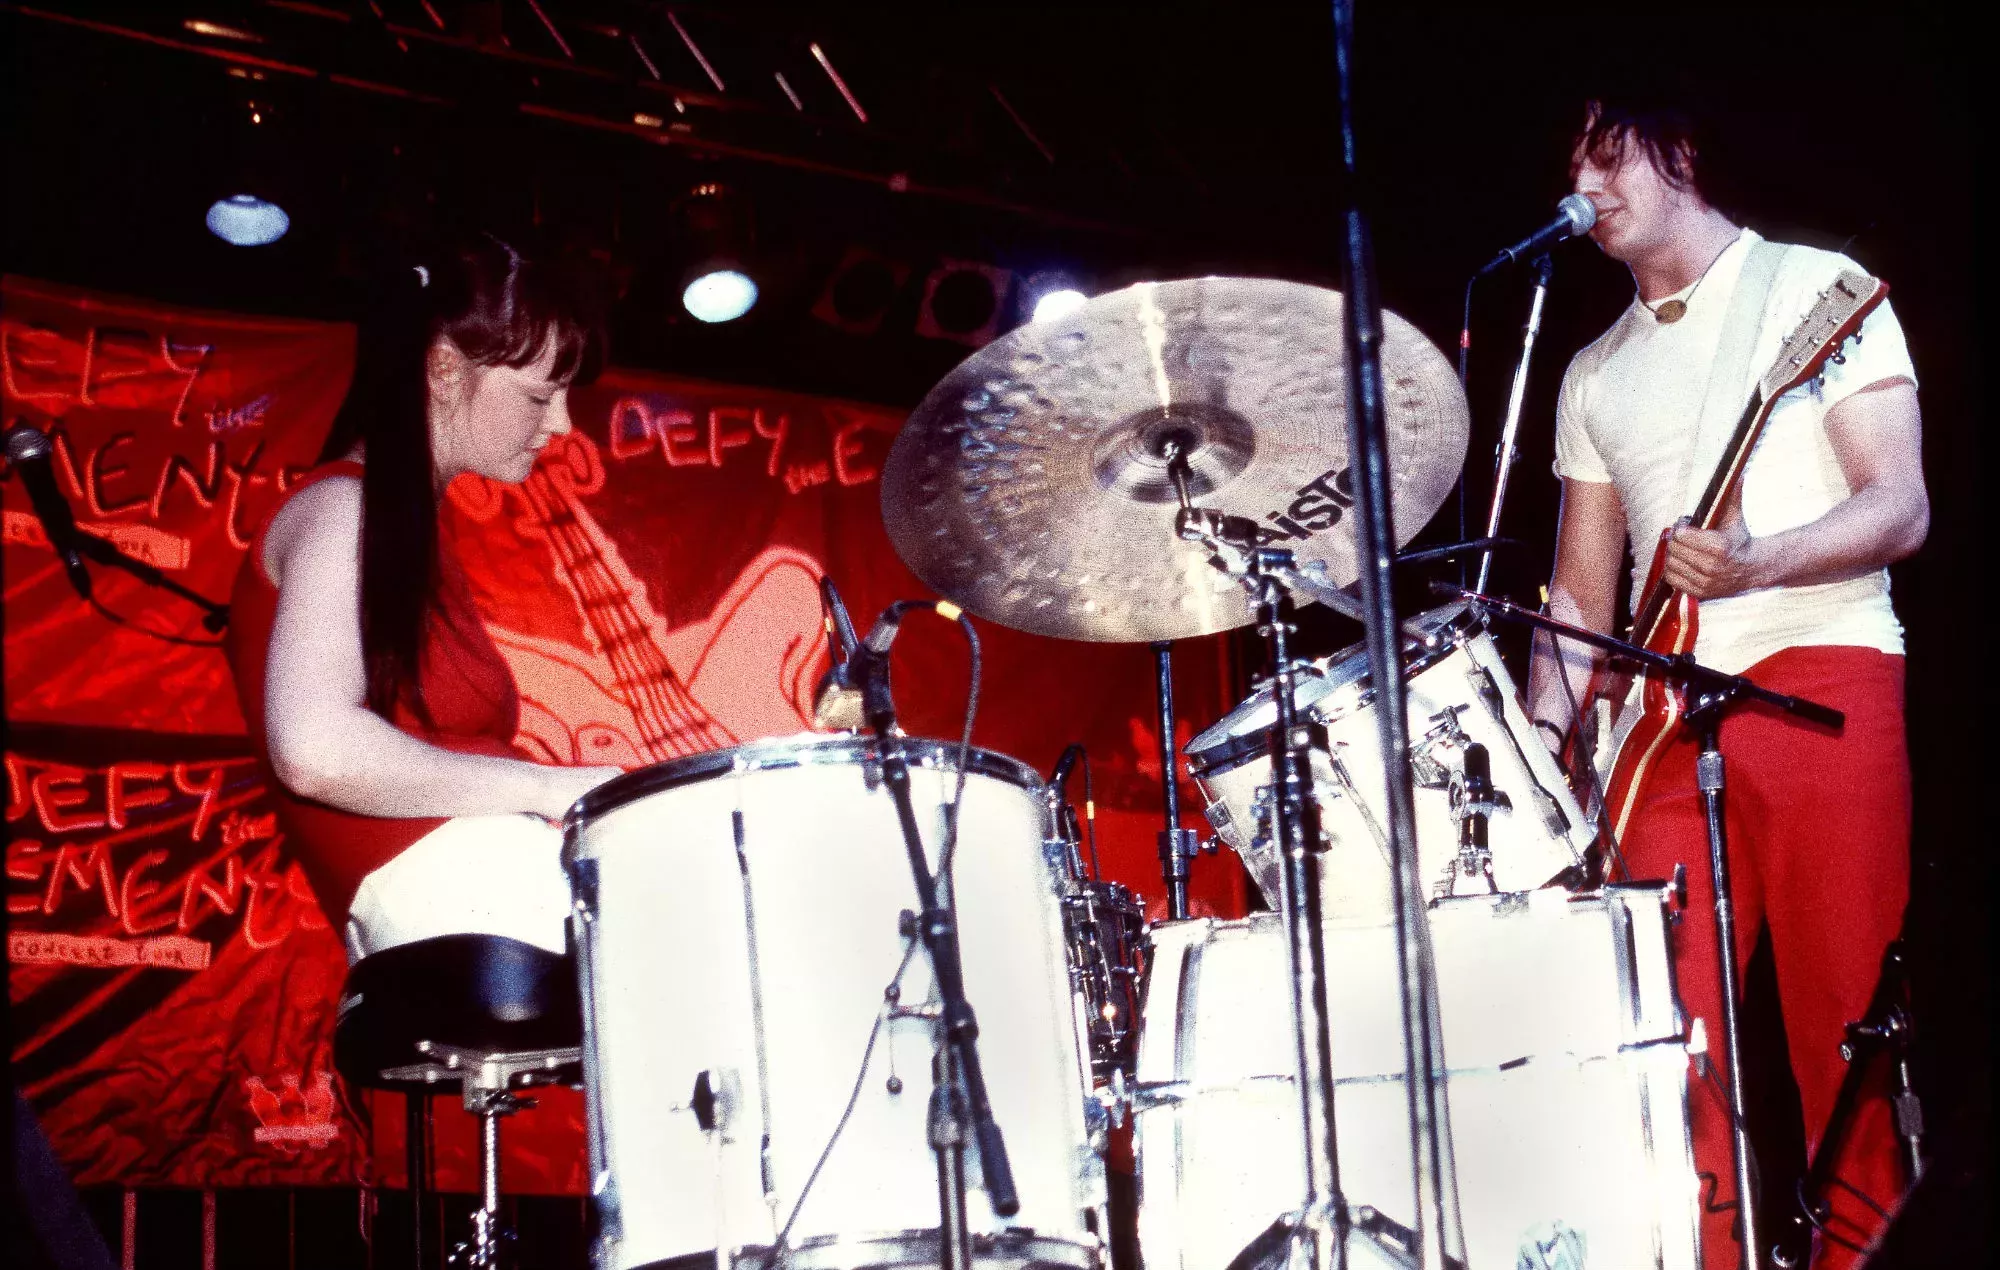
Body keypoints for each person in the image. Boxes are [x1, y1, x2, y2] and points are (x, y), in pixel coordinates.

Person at [1526, 97, 1927, 1268]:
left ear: (1681, 153)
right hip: (1661, 712)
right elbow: (1576, 601)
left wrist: (1761, 560)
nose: (1585, 185)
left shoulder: (1811, 289)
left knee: (1844, 1028)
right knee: (1659, 1040)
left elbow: (1898, 504)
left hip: (1821, 667)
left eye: (1609, 155)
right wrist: (1536, 753)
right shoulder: (1590, 373)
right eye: (1570, 163)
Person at [227, 233, 624, 962]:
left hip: (476, 900)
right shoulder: (342, 509)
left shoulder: (402, 533)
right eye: (540, 394)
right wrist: (550, 788)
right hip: (461, 902)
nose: (563, 425)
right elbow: (314, 748)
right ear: (443, 368)